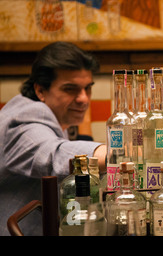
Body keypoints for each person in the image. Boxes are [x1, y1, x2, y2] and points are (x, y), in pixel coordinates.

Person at [0, 41, 107, 236]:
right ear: (40, 90)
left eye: (87, 88)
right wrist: (117, 153)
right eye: (70, 89)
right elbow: (51, 154)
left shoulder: (53, 117)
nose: (84, 98)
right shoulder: (26, 118)